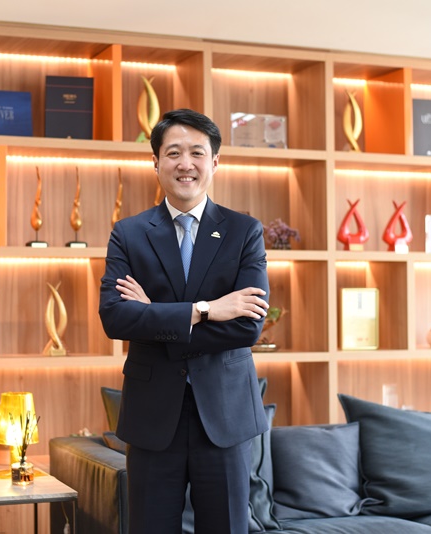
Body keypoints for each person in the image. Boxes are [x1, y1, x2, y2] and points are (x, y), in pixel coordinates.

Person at [99, 108, 270, 534]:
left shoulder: (244, 231)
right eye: (173, 152)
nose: (185, 163)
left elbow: (247, 326)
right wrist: (205, 310)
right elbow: (116, 317)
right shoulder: (129, 233)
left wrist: (152, 316)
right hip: (153, 416)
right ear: (156, 162)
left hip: (225, 416)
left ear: (215, 161)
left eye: (197, 152)